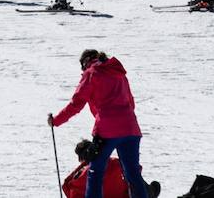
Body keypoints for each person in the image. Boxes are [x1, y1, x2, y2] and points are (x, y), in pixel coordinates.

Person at [49, 50, 152, 198]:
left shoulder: (91, 73)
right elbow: (131, 102)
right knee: (133, 174)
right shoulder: (118, 72)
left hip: (106, 130)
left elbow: (76, 104)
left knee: (95, 171)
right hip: (131, 128)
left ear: (85, 63)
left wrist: (56, 121)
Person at [62, 138, 155, 198]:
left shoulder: (84, 174)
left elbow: (68, 187)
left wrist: (82, 166)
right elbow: (136, 169)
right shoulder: (116, 162)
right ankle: (149, 191)